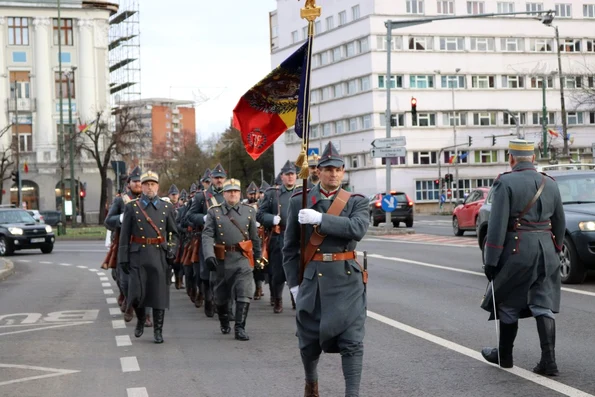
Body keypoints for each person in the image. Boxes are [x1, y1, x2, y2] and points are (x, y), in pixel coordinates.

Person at [283, 141, 369, 397]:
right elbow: (289, 249)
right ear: (318, 171)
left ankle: (352, 394)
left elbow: (358, 229)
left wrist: (321, 219)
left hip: (347, 280)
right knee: (308, 340)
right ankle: (311, 383)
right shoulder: (299, 200)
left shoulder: (357, 202)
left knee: (352, 341)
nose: (333, 174)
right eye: (328, 169)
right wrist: (294, 286)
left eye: (338, 169)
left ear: (343, 172)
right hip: (313, 280)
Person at [480, 139, 565, 375]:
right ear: (533, 158)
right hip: (546, 249)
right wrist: (555, 248)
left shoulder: (505, 182)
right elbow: (559, 222)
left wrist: (491, 260)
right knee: (542, 303)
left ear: (511, 158)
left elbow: (496, 226)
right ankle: (549, 361)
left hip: (517, 250)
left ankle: (504, 356)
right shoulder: (550, 183)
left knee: (508, 301)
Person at [118, 171, 179, 344]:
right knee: (136, 293)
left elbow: (174, 233)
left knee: (159, 295)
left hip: (159, 253)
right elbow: (124, 235)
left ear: (158, 187)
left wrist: (172, 249)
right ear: (142, 187)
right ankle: (141, 319)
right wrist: (123, 258)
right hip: (137, 254)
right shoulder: (132, 207)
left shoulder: (167, 207)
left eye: (153, 184)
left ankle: (158, 331)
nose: (149, 187)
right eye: (146, 184)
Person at [202, 178, 262, 341]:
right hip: (222, 259)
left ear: (240, 193)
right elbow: (207, 235)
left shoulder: (249, 211)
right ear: (225, 194)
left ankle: (240, 327)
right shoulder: (214, 212)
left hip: (242, 258)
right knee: (221, 297)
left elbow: (255, 237)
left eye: (235, 191)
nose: (233, 194)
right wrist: (209, 255)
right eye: (229, 192)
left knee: (244, 293)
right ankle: (223, 320)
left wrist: (258, 257)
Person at [185, 164, 227, 317]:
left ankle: (219, 301)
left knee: (223, 271)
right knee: (205, 272)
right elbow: (189, 216)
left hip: (224, 239)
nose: (219, 180)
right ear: (211, 179)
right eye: (216, 178)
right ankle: (208, 298)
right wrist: (203, 218)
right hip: (207, 238)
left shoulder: (230, 194)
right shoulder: (201, 197)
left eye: (221, 177)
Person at [257, 160, 299, 313]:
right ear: (281, 177)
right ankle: (278, 300)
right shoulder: (272, 193)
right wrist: (272, 219)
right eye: (287, 175)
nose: (290, 177)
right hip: (279, 236)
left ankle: (296, 300)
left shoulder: (302, 192)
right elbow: (260, 214)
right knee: (278, 272)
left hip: (298, 236)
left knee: (297, 270)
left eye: (292, 174)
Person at [104, 166, 142, 323]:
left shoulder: (150, 201)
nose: (138, 184)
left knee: (144, 281)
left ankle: (141, 312)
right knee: (124, 281)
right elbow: (108, 221)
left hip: (143, 246)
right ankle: (127, 297)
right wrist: (121, 218)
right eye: (135, 181)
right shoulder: (121, 200)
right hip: (124, 245)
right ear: (129, 184)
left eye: (141, 181)